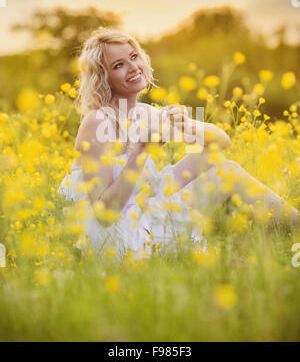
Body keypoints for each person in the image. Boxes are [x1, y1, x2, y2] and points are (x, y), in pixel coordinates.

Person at [58, 27, 299, 258]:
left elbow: (221, 143)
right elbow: (105, 214)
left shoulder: (144, 112)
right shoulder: (97, 122)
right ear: (103, 78)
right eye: (119, 65)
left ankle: (271, 231)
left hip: (139, 208)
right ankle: (291, 227)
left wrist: (187, 124)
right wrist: (141, 148)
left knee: (210, 159)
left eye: (134, 56)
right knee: (226, 175)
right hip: (120, 236)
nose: (133, 67)